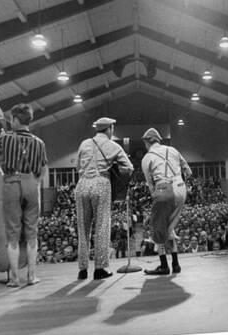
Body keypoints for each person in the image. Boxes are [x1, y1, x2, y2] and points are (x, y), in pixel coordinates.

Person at [0, 103, 48, 286]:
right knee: (32, 232)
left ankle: (14, 278)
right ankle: (31, 276)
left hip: (11, 182)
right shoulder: (39, 142)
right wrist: (35, 182)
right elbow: (43, 168)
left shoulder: (5, 138)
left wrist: (2, 141)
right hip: (31, 183)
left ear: (15, 120)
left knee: (12, 233)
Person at [74, 117, 133, 280]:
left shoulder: (84, 143)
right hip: (101, 183)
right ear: (110, 129)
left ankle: (82, 269)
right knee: (102, 227)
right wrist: (113, 169)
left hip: (82, 183)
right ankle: (100, 268)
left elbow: (77, 167)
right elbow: (129, 168)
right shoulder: (113, 145)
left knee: (83, 229)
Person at [141, 128, 192, 275]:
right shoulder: (173, 150)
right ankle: (176, 265)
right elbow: (188, 172)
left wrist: (158, 196)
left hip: (164, 189)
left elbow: (151, 185)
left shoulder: (147, 157)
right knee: (168, 227)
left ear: (147, 142)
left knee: (158, 227)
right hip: (181, 188)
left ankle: (164, 265)